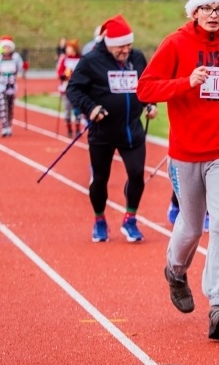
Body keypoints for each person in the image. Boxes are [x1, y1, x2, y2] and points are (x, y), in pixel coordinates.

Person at [137, 0, 219, 341]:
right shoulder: (176, 43)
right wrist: (185, 82)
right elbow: (146, 87)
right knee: (191, 227)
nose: (213, 14)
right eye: (206, 8)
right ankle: (175, 271)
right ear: (194, 11)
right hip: (187, 151)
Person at [66, 15, 157, 244]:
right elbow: (74, 90)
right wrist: (91, 108)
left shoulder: (137, 58)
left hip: (132, 130)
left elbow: (147, 85)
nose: (125, 50)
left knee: (137, 174)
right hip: (102, 132)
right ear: (108, 43)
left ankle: (130, 218)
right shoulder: (91, 61)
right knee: (100, 180)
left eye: (129, 44)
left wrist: (150, 104)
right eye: (120, 46)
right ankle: (99, 220)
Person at [56, 39, 83, 138]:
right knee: (67, 110)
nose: (67, 50)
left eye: (69, 48)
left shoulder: (80, 59)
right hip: (66, 88)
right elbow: (59, 72)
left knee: (77, 110)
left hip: (77, 89)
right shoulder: (64, 59)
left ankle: (78, 129)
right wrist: (64, 76)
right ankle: (69, 130)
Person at [0, 35, 25, 137]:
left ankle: (9, 125)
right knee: (2, 106)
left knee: (10, 107)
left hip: (12, 86)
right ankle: (4, 127)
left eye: (8, 47)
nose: (6, 49)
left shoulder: (16, 57)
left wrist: (23, 69)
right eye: (4, 47)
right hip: (1, 86)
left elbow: (20, 68)